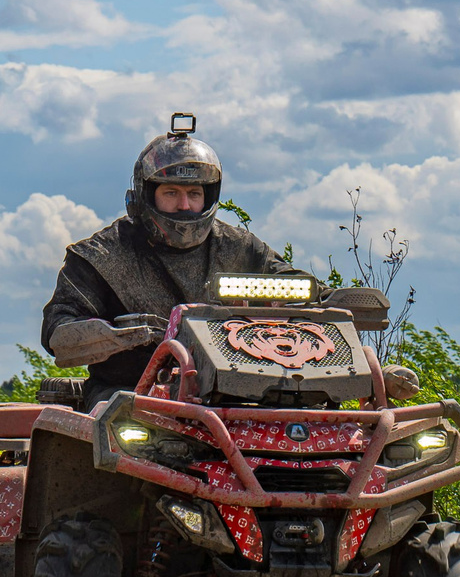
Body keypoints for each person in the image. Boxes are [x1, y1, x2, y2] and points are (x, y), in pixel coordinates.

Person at [41, 115, 292, 394]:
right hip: (130, 395)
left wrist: (334, 302)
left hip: (236, 395)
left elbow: (300, 286)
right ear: (144, 195)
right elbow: (58, 327)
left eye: (194, 194)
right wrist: (115, 335)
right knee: (118, 419)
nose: (184, 205)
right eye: (171, 192)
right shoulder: (102, 256)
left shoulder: (238, 247)